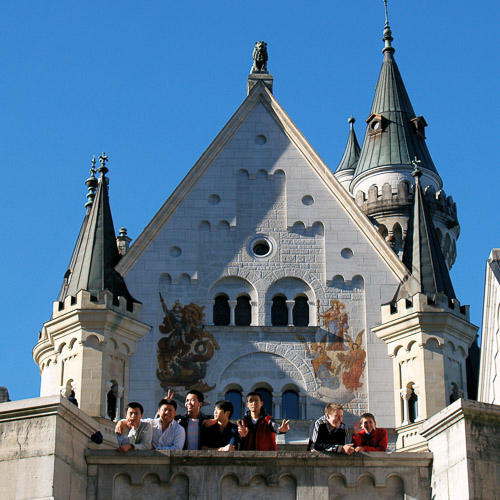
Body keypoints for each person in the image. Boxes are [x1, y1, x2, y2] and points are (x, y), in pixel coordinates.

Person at [116, 398, 185, 451]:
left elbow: (177, 449)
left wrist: (156, 450)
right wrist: (121, 422)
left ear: (175, 413)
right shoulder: (150, 423)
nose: (167, 412)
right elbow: (136, 420)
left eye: (170, 410)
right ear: (158, 411)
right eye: (165, 409)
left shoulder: (179, 430)